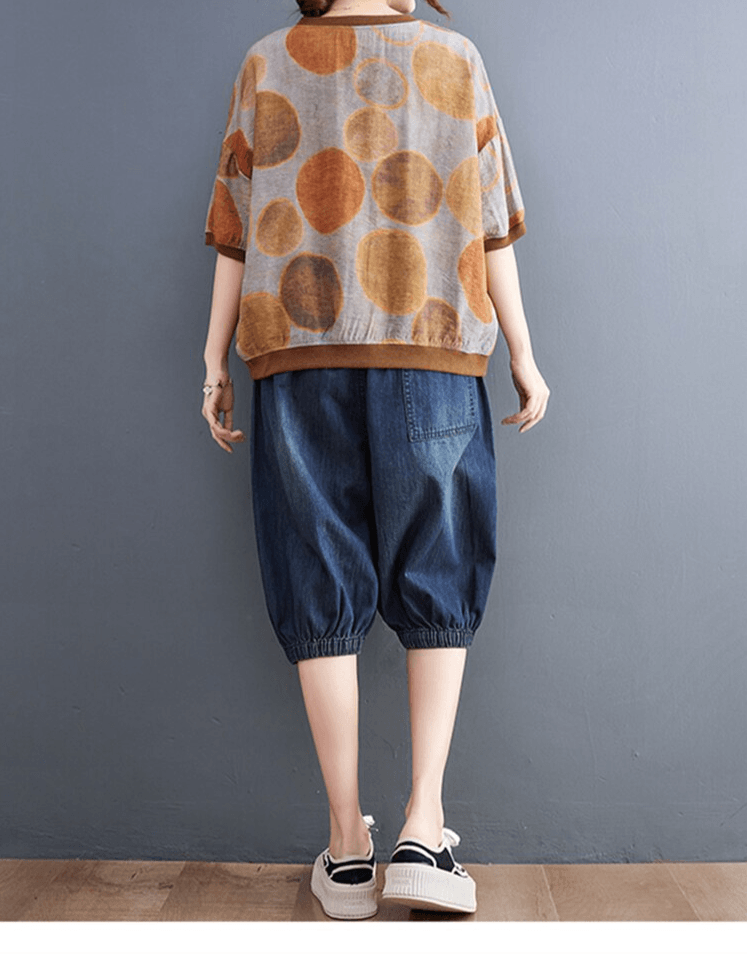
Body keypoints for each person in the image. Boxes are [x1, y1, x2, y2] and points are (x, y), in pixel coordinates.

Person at [200, 0, 549, 920]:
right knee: (439, 573)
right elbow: (490, 224)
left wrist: (213, 359)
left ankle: (347, 850)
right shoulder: (455, 58)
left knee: (319, 580)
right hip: (432, 353)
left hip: (296, 358)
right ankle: (422, 828)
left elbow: (235, 224)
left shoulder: (267, 60)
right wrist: (522, 352)